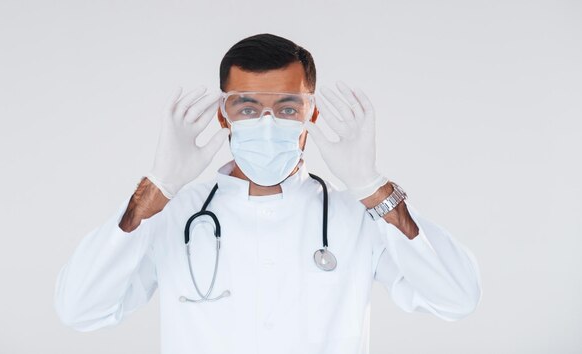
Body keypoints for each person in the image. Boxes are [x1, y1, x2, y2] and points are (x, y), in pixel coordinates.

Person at [54, 33, 482, 354]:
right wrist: (152, 193)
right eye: (247, 107)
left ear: (310, 113)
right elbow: (79, 309)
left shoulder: (356, 217)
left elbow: (457, 298)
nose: (267, 122)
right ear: (225, 117)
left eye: (287, 108)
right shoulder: (173, 215)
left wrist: (373, 188)